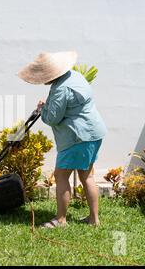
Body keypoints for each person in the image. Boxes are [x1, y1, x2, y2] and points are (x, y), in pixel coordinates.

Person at [18, 51, 107, 228]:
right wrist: (49, 106)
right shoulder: (75, 76)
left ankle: (60, 220)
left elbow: (53, 118)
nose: (43, 80)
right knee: (87, 175)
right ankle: (94, 219)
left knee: (61, 176)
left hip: (77, 137)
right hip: (93, 132)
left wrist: (43, 110)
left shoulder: (60, 88)